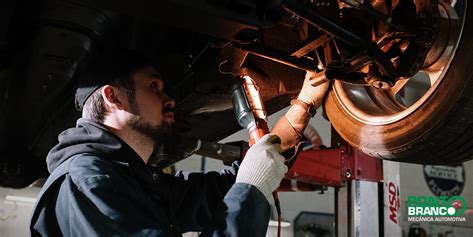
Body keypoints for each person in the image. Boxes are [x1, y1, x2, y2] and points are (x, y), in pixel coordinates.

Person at [30, 50, 329, 236]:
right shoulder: (86, 183)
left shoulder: (130, 180)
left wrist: (302, 108)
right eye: (154, 86)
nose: (170, 99)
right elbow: (245, 188)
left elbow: (219, 195)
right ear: (113, 97)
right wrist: (252, 187)